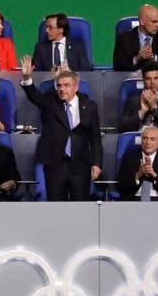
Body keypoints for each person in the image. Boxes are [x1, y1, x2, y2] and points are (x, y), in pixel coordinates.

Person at [19, 56, 102, 201]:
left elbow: (95, 137)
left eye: (66, 85)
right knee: (56, 209)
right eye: (59, 85)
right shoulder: (50, 102)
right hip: (55, 165)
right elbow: (35, 97)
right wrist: (27, 78)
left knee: (81, 208)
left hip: (80, 165)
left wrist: (97, 163)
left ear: (76, 87)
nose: (62, 89)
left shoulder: (89, 106)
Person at [117, 126, 158, 201]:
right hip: (134, 199)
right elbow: (121, 184)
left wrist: (154, 175)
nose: (148, 142)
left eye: (152, 139)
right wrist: (138, 175)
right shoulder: (128, 158)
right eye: (145, 138)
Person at [118, 60, 158, 133]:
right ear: (143, 80)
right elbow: (121, 128)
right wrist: (141, 112)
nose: (152, 82)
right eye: (148, 78)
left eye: (155, 78)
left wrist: (155, 108)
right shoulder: (133, 100)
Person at [113, 3, 158, 71]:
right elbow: (118, 66)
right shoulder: (124, 38)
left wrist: (153, 58)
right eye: (154, 22)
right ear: (142, 22)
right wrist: (137, 59)